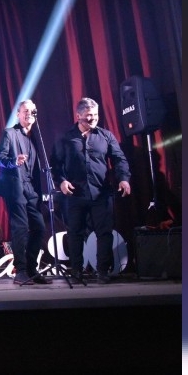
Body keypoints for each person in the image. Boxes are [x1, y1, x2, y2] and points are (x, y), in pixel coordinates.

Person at [50, 97, 131, 284]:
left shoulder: (106, 136)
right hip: (75, 194)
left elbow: (119, 159)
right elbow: (55, 164)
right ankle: (76, 271)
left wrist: (123, 179)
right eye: (88, 116)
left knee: (104, 233)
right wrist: (61, 182)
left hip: (101, 193)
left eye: (95, 115)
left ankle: (102, 271)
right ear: (78, 116)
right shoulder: (65, 138)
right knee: (75, 233)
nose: (93, 119)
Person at [0, 100, 52, 285]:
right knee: (20, 227)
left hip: (32, 188)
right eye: (25, 111)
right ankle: (20, 271)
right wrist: (13, 161)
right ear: (18, 114)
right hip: (15, 186)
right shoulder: (10, 133)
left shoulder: (36, 136)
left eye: (32, 110)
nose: (29, 113)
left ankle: (32, 269)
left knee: (39, 227)